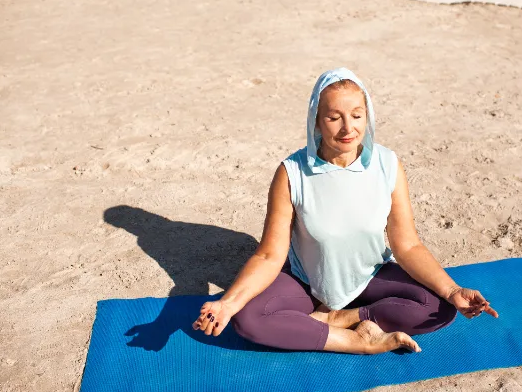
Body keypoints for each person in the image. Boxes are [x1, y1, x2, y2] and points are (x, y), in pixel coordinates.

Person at [192, 68, 498, 354]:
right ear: (316, 120)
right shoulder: (292, 173)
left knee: (440, 306)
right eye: (334, 117)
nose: (348, 128)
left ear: (368, 116)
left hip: (369, 275)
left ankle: (337, 319)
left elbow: (407, 245)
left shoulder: (387, 166)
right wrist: (227, 304)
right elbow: (270, 255)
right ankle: (356, 340)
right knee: (248, 318)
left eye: (356, 115)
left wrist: (453, 289)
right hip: (307, 282)